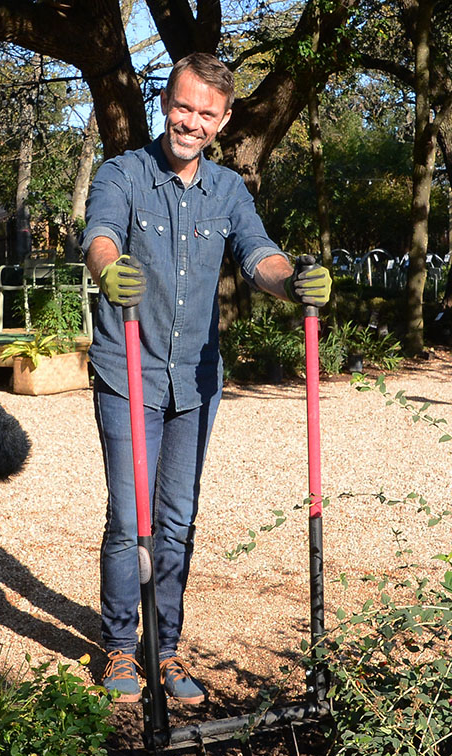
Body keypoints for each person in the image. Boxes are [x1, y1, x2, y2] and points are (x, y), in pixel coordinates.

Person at [82, 52, 331, 704]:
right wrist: (109, 269)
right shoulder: (124, 173)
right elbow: (100, 235)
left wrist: (294, 282)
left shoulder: (227, 191)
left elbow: (259, 255)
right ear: (167, 102)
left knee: (177, 518)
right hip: (127, 371)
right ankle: (117, 648)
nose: (190, 121)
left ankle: (163, 649)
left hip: (195, 380)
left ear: (221, 122)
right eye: (183, 106)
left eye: (205, 113)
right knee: (129, 515)